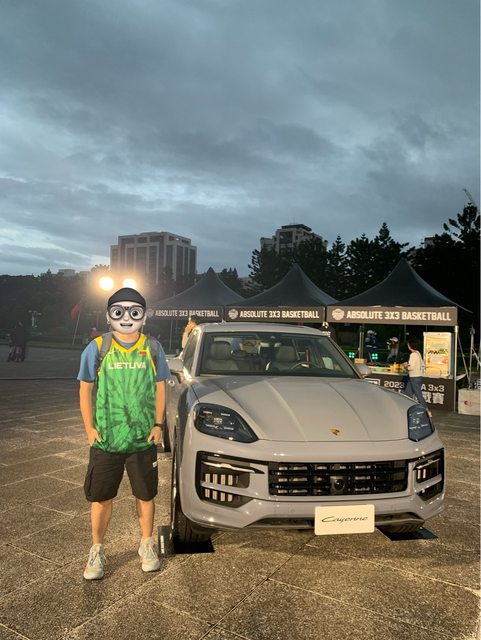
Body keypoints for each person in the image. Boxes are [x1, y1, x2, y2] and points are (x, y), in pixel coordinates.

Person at [77, 287, 171, 580]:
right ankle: (97, 549)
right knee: (101, 497)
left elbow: (160, 386)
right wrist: (90, 428)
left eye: (134, 312)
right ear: (109, 316)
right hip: (107, 439)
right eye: (119, 312)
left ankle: (146, 544)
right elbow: (85, 388)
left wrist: (158, 425)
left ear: (144, 316)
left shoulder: (152, 348)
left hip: (142, 439)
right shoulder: (98, 347)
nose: (127, 318)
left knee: (146, 494)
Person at [403, 338, 429, 411]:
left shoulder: (413, 355)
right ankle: (406, 408)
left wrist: (405, 366)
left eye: (408, 345)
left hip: (414, 377)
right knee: (407, 394)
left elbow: (411, 367)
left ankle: (426, 410)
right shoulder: (418, 353)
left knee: (418, 395)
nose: (408, 346)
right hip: (416, 377)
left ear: (411, 346)